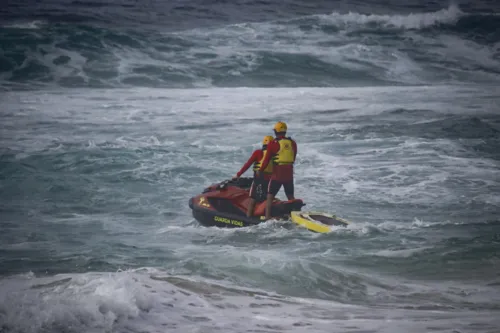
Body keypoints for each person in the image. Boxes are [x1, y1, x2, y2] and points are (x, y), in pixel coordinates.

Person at [256, 121, 297, 220]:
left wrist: (260, 171)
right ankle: (297, 215)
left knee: (270, 196)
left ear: (276, 131)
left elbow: (266, 161)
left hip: (277, 174)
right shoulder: (292, 142)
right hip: (289, 173)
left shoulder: (273, 143)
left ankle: (267, 217)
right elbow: (293, 157)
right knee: (290, 196)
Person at [233, 135, 274, 217]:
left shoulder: (258, 153)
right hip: (270, 181)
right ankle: (266, 217)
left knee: (253, 200)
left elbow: (247, 164)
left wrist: (238, 175)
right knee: (266, 200)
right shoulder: (274, 155)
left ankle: (248, 219)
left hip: (258, 179)